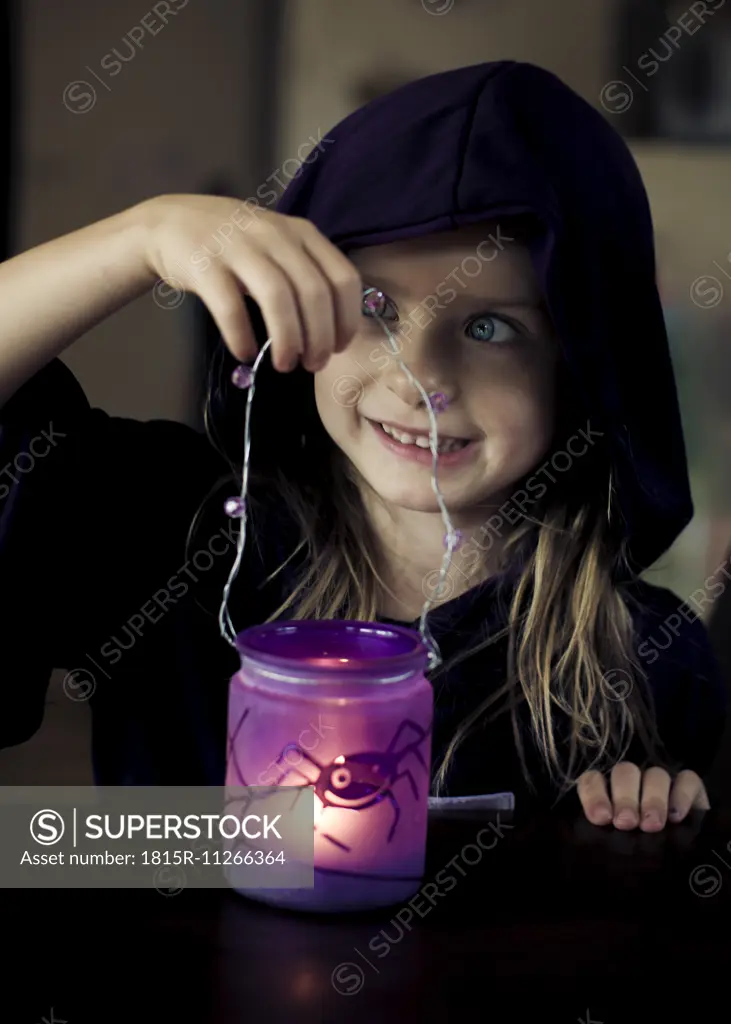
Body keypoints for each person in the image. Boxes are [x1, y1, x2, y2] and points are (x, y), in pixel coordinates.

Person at [0, 60, 725, 831]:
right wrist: (139, 237)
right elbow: (70, 852)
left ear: (581, 369)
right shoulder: (174, 536)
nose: (419, 379)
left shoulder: (640, 660)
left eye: (490, 327)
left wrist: (642, 827)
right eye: (372, 304)